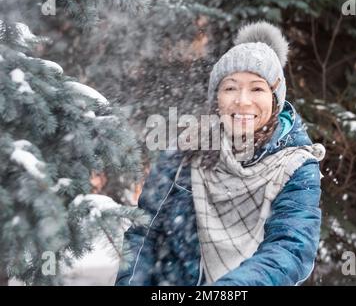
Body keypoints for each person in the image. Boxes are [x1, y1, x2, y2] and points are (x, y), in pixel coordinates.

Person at [115, 21, 326, 286]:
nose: (242, 100)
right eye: (230, 88)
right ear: (216, 99)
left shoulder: (296, 166)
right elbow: (144, 233)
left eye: (257, 88)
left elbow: (291, 248)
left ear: (275, 99)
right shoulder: (185, 154)